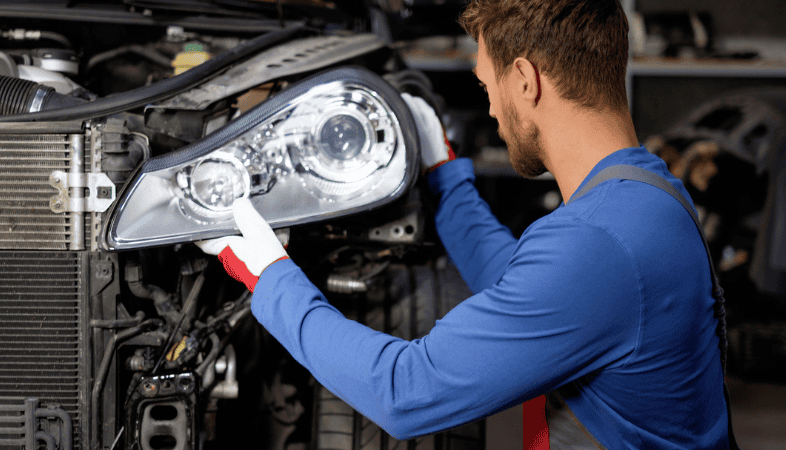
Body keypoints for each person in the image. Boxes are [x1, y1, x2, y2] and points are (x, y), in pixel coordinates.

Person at [199, 0, 732, 447]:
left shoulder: (597, 245)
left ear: (525, 80)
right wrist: (446, 175)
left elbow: (404, 391)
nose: (494, 113)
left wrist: (270, 277)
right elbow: (523, 286)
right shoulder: (650, 197)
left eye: (486, 87)